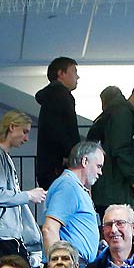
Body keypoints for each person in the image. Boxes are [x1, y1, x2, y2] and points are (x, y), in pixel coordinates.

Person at [0, 110, 45, 257]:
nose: (26, 138)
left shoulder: (1, 155)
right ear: (12, 127)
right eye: (24, 131)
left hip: (6, 233)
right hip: (0, 234)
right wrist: (29, 195)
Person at [87, 82, 134, 215]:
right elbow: (122, 149)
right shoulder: (124, 114)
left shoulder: (114, 114)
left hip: (113, 185)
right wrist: (133, 179)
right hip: (118, 185)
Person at [34, 57, 80, 190]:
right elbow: (60, 130)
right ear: (61, 73)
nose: (78, 77)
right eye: (74, 71)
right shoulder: (61, 96)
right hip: (59, 165)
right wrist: (70, 154)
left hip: (50, 164)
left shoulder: (51, 96)